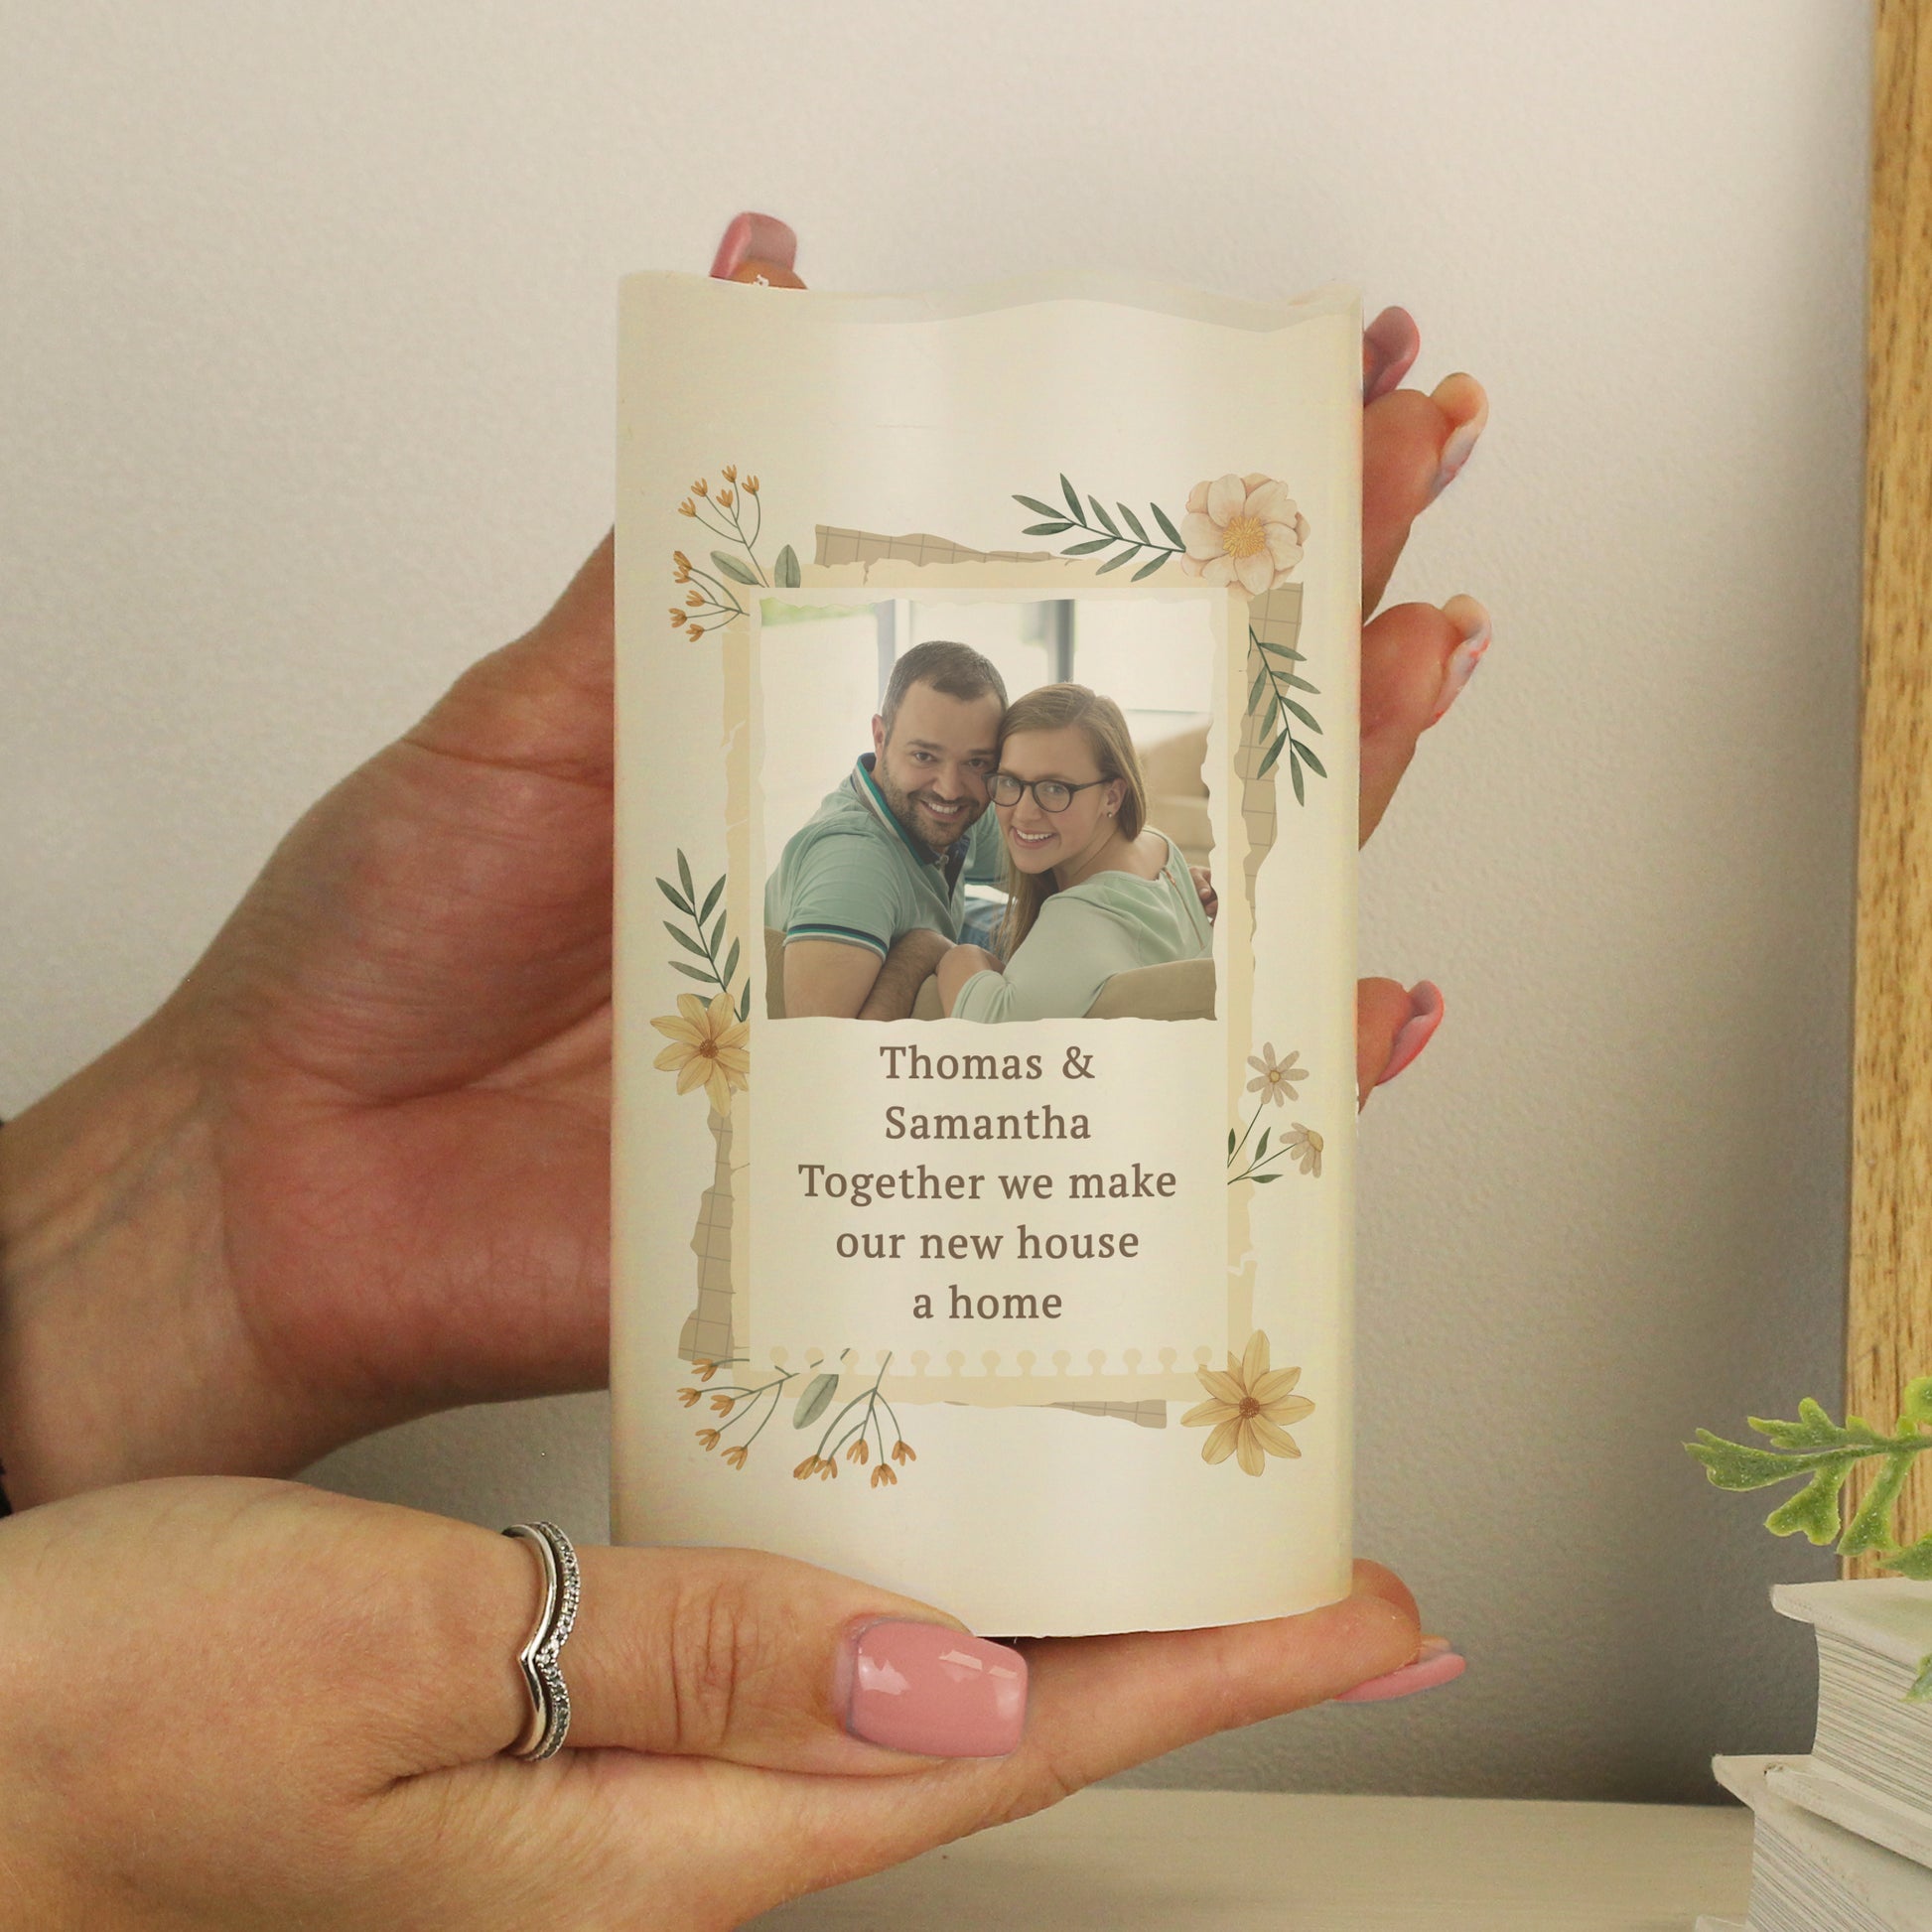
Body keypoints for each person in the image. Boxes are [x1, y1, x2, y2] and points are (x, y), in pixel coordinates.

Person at [0, 211, 1483, 1926]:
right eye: (957, 768)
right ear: (880, 744)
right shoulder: (881, 864)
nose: (980, 798)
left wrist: (205, 1198)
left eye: (1011, 775)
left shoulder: (1007, 887)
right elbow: (849, 1024)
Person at [764, 637, 1011, 1019]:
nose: (950, 789)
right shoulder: (853, 863)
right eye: (924, 756)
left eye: (976, 762)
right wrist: (924, 947)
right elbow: (824, 1048)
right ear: (880, 738)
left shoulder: (960, 808)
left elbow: (1061, 868)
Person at [936, 684, 1211, 1021]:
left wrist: (953, 956)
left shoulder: (1081, 917)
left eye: (1055, 788)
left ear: (1112, 796)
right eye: (1009, 782)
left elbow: (992, 1028)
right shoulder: (1157, 845)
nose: (1024, 813)